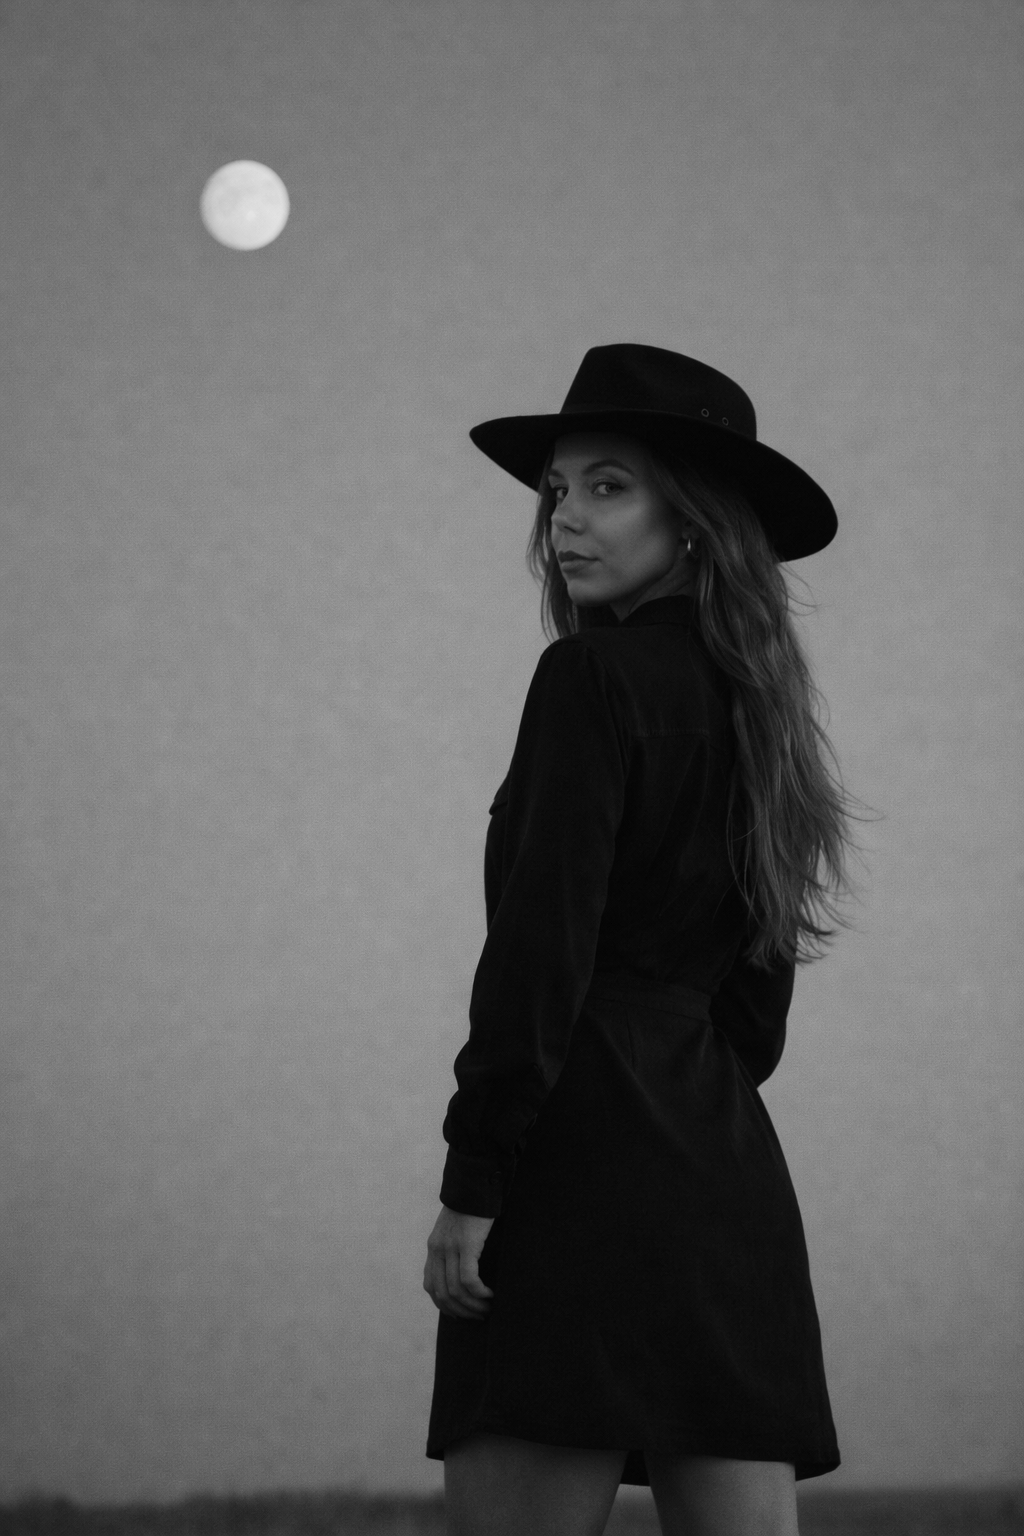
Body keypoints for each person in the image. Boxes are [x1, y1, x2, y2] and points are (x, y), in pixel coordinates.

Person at [422, 344, 856, 1536]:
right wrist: (678, 1095)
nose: (565, 517)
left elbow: (539, 955)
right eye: (558, 489)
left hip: (575, 1164)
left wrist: (475, 1179)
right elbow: (754, 1016)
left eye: (608, 486)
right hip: (721, 1176)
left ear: (697, 520)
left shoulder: (588, 678)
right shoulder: (765, 716)